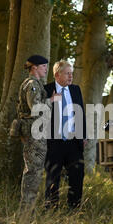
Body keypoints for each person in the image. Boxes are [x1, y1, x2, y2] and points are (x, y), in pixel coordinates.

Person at [17, 55, 58, 211]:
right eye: (43, 66)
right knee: (33, 171)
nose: (46, 69)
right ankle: (26, 211)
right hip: (34, 133)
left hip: (37, 133)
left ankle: (28, 209)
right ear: (34, 67)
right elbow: (35, 108)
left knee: (35, 170)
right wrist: (51, 101)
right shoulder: (32, 84)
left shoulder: (35, 84)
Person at [44, 60, 86, 210]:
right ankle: (51, 209)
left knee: (77, 175)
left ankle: (74, 209)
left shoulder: (75, 90)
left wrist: (83, 135)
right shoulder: (46, 89)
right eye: (67, 73)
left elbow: (81, 112)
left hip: (74, 141)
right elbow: (38, 111)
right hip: (54, 142)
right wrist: (50, 100)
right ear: (57, 75)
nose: (71, 76)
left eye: (72, 73)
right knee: (53, 176)